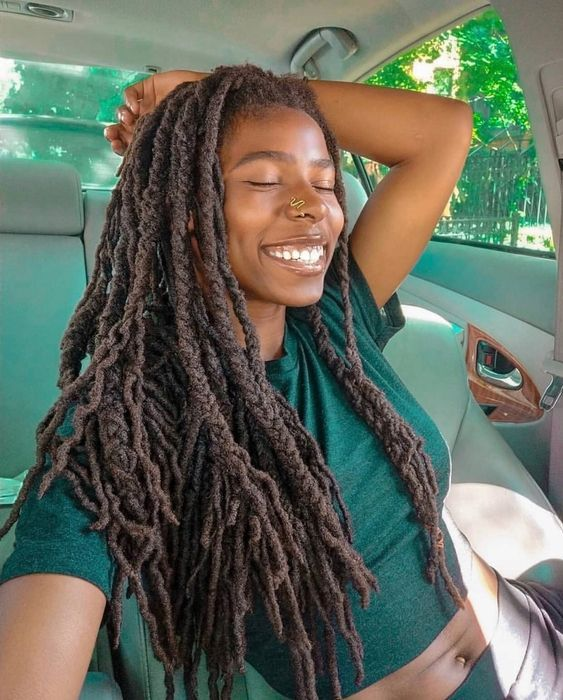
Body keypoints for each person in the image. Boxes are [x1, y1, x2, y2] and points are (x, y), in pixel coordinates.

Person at [0, 64, 561, 700]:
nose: (311, 208)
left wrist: (216, 90)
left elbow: (444, 130)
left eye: (324, 184)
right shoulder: (124, 427)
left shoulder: (336, 323)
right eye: (266, 180)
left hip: (535, 637)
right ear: (189, 210)